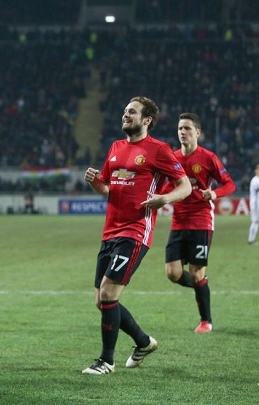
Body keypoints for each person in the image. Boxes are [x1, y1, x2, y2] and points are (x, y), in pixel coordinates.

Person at [81, 96, 191, 375]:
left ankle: (106, 361)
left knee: (108, 293)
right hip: (110, 232)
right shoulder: (116, 147)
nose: (125, 115)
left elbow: (185, 186)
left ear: (147, 120)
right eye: (125, 110)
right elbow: (107, 189)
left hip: (135, 232)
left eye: (132, 112)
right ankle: (143, 342)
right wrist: (96, 182)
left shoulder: (158, 150)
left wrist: (163, 199)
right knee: (101, 300)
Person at [162, 113, 235, 333]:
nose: (182, 132)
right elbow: (168, 186)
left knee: (195, 272)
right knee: (172, 273)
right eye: (179, 128)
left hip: (201, 221)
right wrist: (156, 197)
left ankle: (206, 321)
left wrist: (214, 193)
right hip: (178, 220)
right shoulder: (172, 158)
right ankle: (201, 283)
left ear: (198, 132)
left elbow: (229, 184)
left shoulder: (208, 157)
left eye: (187, 128)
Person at [249, 164, 259, 246]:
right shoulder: (255, 180)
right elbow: (255, 194)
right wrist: (254, 206)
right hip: (255, 204)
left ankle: (252, 239)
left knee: (256, 222)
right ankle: (251, 240)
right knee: (255, 221)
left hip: (256, 203)